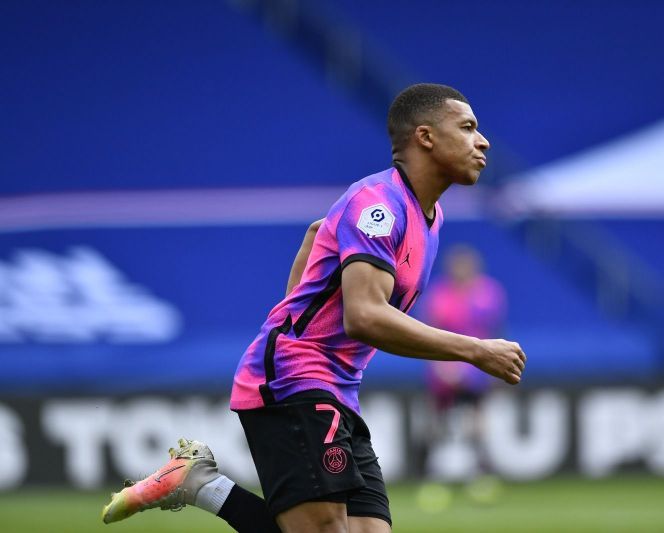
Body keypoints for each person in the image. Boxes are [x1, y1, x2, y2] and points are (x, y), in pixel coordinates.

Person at [101, 83, 526, 533]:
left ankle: (197, 483)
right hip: (296, 379)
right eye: (468, 127)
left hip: (338, 387)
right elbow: (363, 316)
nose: (483, 141)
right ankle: (198, 485)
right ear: (425, 137)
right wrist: (474, 350)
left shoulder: (428, 216)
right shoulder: (380, 204)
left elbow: (316, 232)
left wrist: (289, 318)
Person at [419, 245, 507, 483]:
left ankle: (481, 473)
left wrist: (494, 370)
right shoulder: (439, 295)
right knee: (438, 421)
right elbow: (429, 331)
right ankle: (433, 472)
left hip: (476, 368)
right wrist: (438, 365)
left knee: (476, 422)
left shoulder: (489, 292)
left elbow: (494, 331)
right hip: (444, 364)